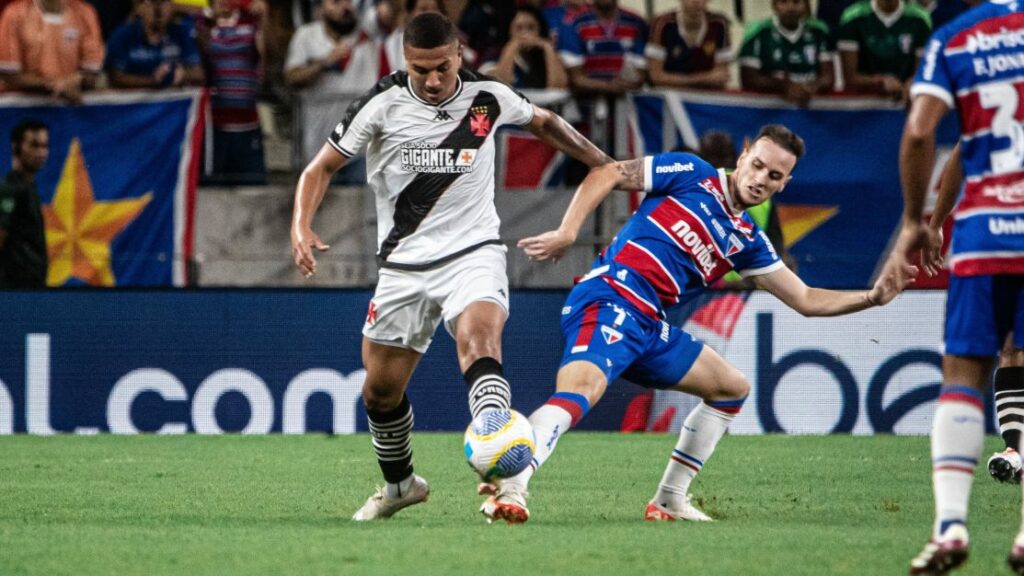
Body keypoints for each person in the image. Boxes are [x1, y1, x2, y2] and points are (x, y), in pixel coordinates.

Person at [479, 124, 914, 524]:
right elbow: (609, 172)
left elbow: (804, 299)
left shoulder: (748, 239)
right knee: (580, 392)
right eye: (758, 165)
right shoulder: (692, 172)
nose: (762, 179)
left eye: (775, 176)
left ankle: (669, 499)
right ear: (742, 156)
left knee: (731, 387)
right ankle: (512, 489)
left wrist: (872, 298)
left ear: (785, 183)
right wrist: (569, 231)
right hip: (611, 296)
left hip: (649, 324)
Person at [290, 11, 612, 522]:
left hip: (474, 251)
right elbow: (319, 167)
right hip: (403, 266)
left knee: (479, 340)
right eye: (421, 70)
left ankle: (501, 462)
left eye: (442, 67)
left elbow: (546, 123)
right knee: (379, 392)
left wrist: (603, 162)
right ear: (405, 62)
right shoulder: (381, 103)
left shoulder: (488, 97)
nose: (434, 80)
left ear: (460, 54)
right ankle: (401, 486)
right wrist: (300, 224)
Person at [878, 1, 1024, 572]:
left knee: (963, 373)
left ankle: (950, 528)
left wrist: (920, 219)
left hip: (986, 234)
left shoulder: (958, 38)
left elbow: (921, 133)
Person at [920, 141, 1024, 487]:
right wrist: (936, 223)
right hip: (1001, 240)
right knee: (1010, 349)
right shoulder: (996, 106)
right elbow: (962, 156)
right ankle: (1015, 450)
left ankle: (951, 525)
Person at [195, 0, 267, 184]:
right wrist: (210, 20)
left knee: (254, 190)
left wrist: (265, 19)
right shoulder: (201, 24)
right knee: (213, 190)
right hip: (215, 127)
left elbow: (270, 58)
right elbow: (200, 63)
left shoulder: (251, 22)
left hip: (248, 124)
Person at [0, 0, 104, 103]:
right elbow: (9, 75)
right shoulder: (14, 14)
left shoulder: (85, 12)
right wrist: (54, 85)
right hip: (23, 110)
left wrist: (75, 81)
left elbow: (91, 71)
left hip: (73, 108)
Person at [739, 0, 834, 107]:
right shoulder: (758, 32)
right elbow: (749, 79)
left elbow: (828, 77)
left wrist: (811, 87)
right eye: (784, 2)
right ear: (774, 5)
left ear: (806, 5)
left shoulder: (819, 31)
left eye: (796, 2)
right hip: (768, 110)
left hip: (810, 108)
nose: (791, 7)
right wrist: (783, 86)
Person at [836, 0, 931, 101]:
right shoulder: (853, 16)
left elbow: (923, 72)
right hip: (863, 102)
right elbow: (850, 77)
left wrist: (911, 83)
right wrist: (880, 81)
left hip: (906, 101)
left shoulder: (919, 18)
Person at [106, 0, 205, 89]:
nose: (158, 10)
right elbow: (115, 78)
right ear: (139, 7)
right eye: (152, 2)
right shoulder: (122, 35)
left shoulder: (181, 32)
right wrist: (152, 80)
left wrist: (183, 74)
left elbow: (199, 73)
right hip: (136, 107)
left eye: (164, 2)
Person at [0, 120, 49, 289]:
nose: (41, 152)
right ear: (16, 147)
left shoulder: (29, 188)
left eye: (44, 146)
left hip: (33, 289)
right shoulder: (10, 188)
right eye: (34, 145)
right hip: (14, 292)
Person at [646, 0, 731, 90]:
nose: (696, 1)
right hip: (668, 96)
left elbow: (720, 77)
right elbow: (656, 77)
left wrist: (674, 80)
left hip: (705, 96)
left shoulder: (719, 24)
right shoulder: (662, 23)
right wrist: (705, 78)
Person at [479, 5, 568, 90]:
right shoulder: (493, 55)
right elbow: (501, 86)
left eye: (531, 28)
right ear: (509, 30)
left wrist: (547, 47)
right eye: (518, 28)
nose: (525, 33)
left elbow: (558, 88)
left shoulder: (548, 56)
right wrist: (513, 46)